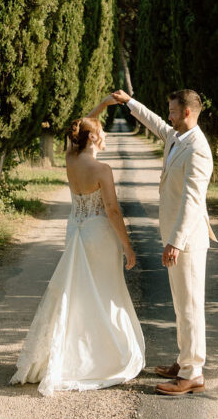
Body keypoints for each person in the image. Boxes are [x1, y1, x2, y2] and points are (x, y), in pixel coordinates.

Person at [9, 95, 145, 395]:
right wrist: (127, 245)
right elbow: (111, 210)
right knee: (106, 294)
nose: (106, 134)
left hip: (76, 230)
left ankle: (71, 353)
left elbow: (78, 129)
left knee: (79, 293)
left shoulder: (71, 159)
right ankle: (101, 357)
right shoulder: (102, 170)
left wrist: (101, 108)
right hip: (99, 235)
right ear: (94, 137)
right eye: (102, 131)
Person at [112, 88, 216, 396]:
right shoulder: (176, 136)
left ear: (187, 112)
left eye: (172, 111)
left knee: (190, 306)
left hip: (188, 240)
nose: (168, 116)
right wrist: (129, 101)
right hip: (175, 237)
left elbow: (192, 202)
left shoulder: (199, 149)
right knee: (181, 304)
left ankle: (193, 373)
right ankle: (185, 362)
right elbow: (154, 122)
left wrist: (176, 242)